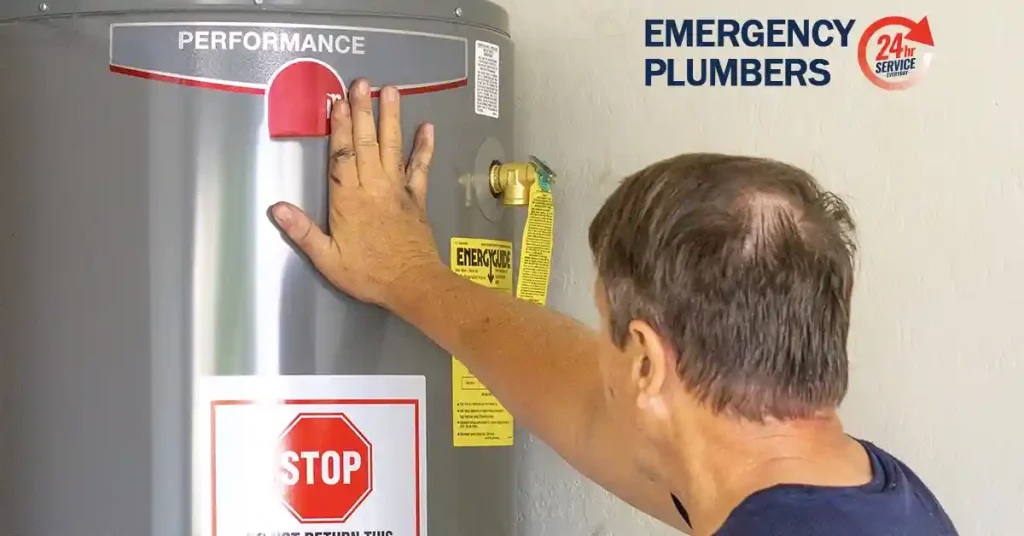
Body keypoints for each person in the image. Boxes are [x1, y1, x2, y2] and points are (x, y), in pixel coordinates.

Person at [268, 79, 959, 536]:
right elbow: (579, 397)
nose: (599, 363)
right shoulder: (864, 495)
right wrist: (409, 278)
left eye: (606, 328)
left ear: (647, 365)